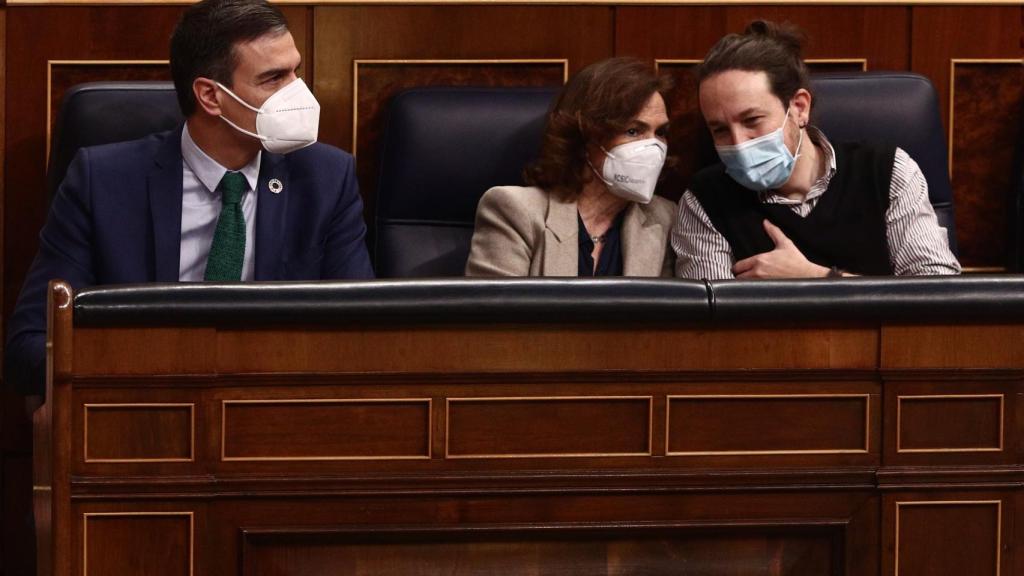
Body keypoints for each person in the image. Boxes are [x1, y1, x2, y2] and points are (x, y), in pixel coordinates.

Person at [6, 0, 374, 395]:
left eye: (295, 72)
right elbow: (31, 344)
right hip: (144, 410)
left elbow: (360, 334)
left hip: (273, 409)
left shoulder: (325, 179)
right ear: (210, 96)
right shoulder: (102, 182)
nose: (297, 93)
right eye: (273, 78)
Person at [672, 20, 960, 279]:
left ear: (799, 108)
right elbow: (711, 328)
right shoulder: (704, 201)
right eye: (720, 130)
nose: (738, 142)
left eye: (752, 121)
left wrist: (816, 278)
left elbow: (936, 300)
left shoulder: (887, 171)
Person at [465, 57, 677, 277]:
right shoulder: (516, 211)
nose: (653, 147)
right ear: (585, 135)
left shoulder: (665, 218)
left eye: (660, 133)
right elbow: (494, 309)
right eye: (633, 131)